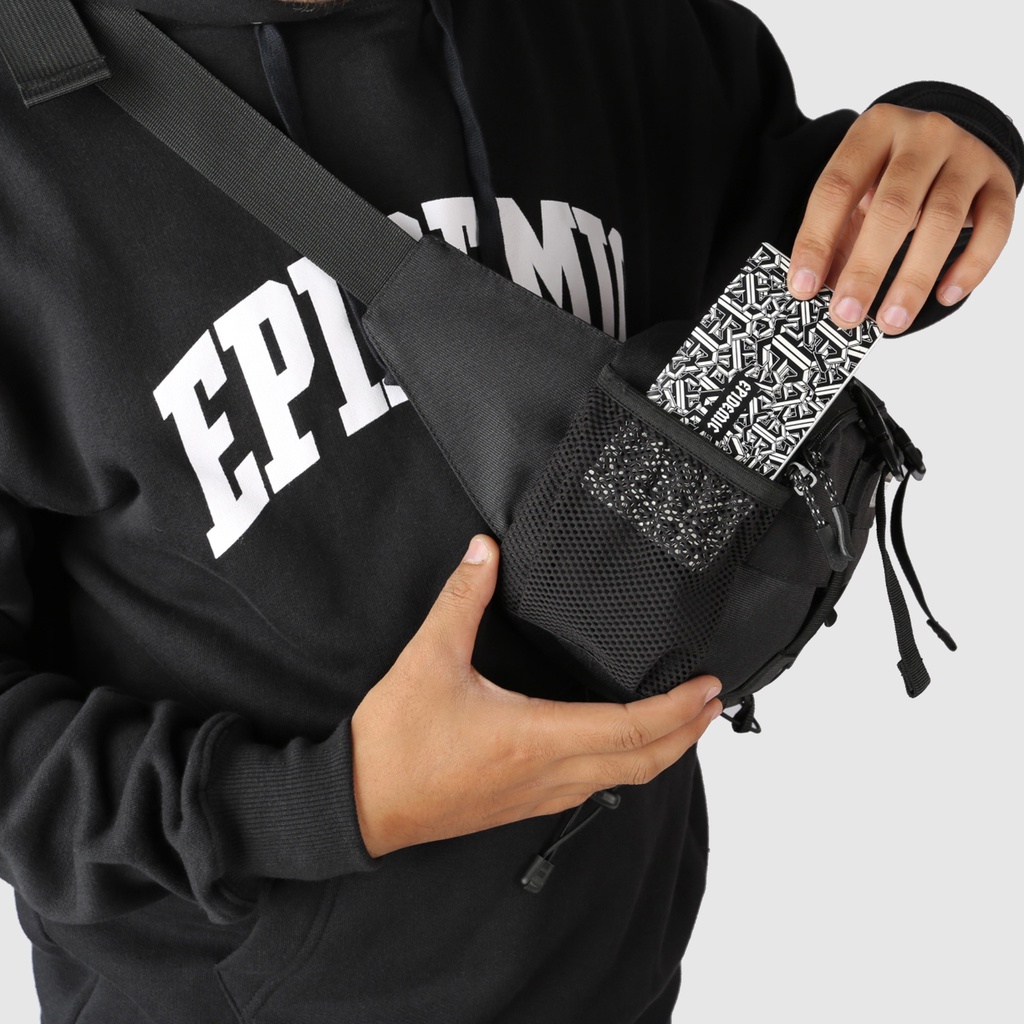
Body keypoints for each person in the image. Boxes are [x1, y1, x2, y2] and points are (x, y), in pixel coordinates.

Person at [0, 1, 1019, 1022]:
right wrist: (330, 800)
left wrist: (944, 157)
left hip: (614, 972)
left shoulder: (623, 31)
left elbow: (802, 286)